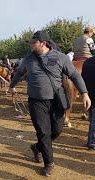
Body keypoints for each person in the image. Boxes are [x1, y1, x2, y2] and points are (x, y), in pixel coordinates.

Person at [9, 31, 91, 176]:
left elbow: (74, 75)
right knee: (43, 132)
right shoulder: (28, 59)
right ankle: (49, 163)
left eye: (33, 42)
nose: (30, 45)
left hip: (58, 99)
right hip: (36, 101)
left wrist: (84, 93)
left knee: (57, 130)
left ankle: (37, 147)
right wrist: (12, 86)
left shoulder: (61, 57)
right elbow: (19, 73)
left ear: (43, 43)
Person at [82, 56, 95, 151]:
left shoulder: (87, 61)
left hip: (89, 92)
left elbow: (82, 77)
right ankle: (92, 142)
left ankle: (91, 140)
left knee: (92, 118)